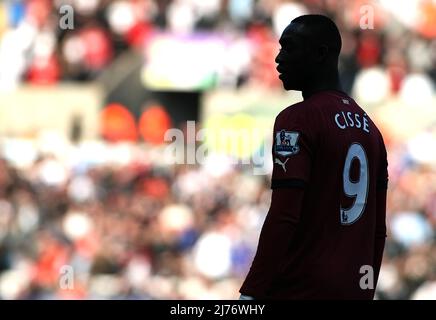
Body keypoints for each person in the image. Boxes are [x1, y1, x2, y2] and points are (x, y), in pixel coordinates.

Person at [239, 14, 388, 299]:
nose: (278, 58)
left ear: (321, 54)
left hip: (299, 289)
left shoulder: (298, 119)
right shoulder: (372, 130)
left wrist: (252, 292)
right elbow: (377, 231)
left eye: (290, 47)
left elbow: (284, 216)